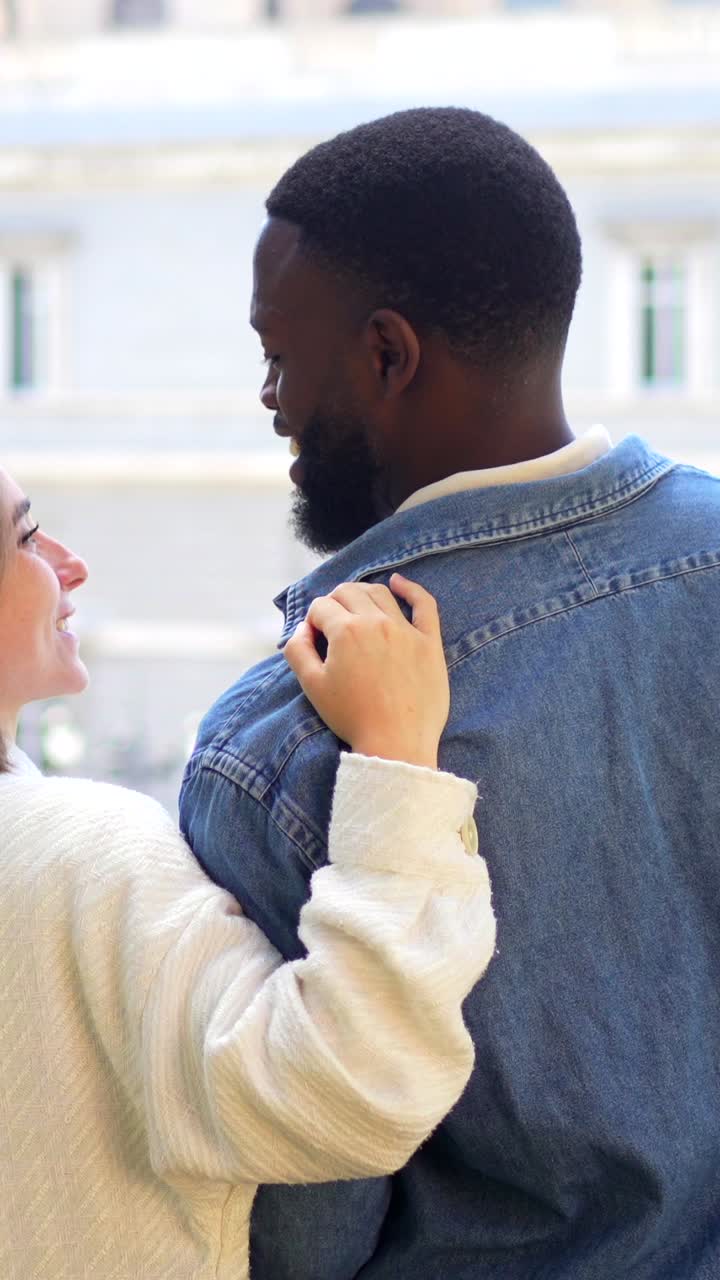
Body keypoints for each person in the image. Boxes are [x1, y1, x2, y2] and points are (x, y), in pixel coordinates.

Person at [179, 105, 720, 1280]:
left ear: (386, 355)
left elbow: (308, 1226)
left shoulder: (285, 740)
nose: (268, 397)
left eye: (280, 355)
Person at [0, 463, 497, 1280]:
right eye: (25, 537)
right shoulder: (78, 851)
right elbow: (346, 1090)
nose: (68, 561)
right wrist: (399, 761)